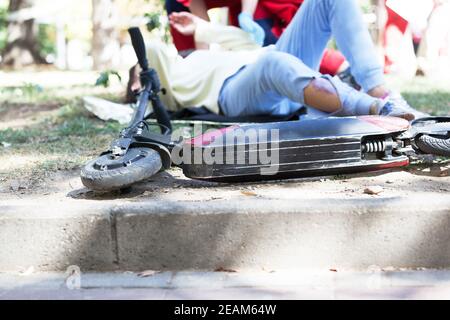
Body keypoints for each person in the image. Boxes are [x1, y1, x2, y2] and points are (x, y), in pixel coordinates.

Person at [129, 0, 427, 121]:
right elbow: (151, 53)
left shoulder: (199, 58)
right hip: (233, 93)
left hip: (267, 61)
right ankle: (378, 109)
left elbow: (247, 42)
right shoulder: (168, 83)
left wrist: (201, 29)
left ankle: (377, 88)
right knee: (272, 65)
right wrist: (140, 71)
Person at [165, 0, 348, 77]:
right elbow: (196, 10)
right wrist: (201, 63)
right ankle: (190, 67)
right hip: (235, 5)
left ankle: (343, 68)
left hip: (264, 4)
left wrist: (246, 14)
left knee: (277, 50)